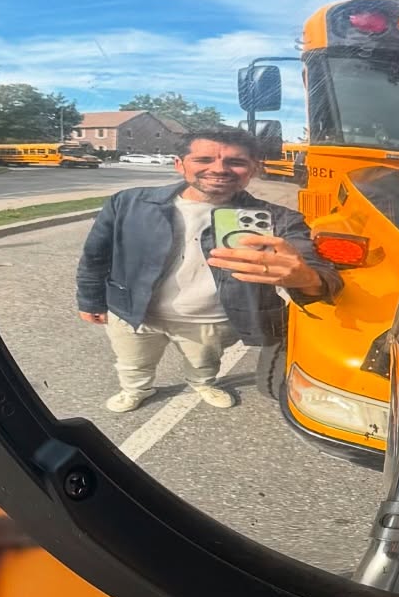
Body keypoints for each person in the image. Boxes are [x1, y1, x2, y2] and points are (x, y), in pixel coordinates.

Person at [76, 126, 340, 413]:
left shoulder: (280, 219)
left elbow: (318, 272)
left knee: (204, 364)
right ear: (180, 165)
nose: (219, 169)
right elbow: (95, 256)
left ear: (253, 168)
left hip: (210, 319)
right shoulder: (128, 203)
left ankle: (202, 383)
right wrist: (90, 300)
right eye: (204, 160)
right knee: (133, 362)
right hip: (133, 312)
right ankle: (135, 389)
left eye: (235, 162)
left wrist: (307, 278)